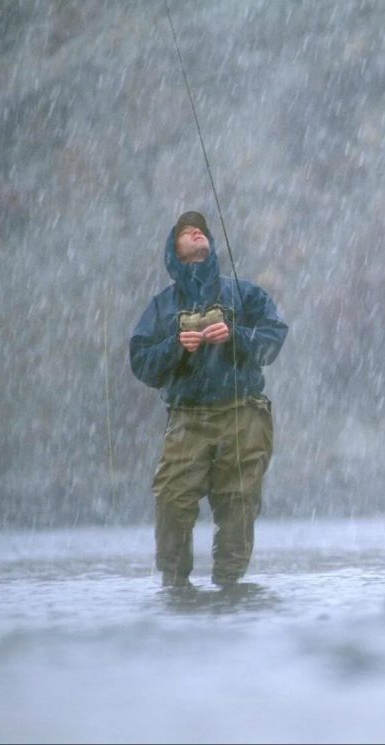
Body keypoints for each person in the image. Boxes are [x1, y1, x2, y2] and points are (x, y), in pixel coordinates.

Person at [129, 211, 288, 588]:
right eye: (185, 232)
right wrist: (175, 347)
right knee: (172, 500)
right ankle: (175, 583)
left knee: (239, 504)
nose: (195, 231)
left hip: (243, 414)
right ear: (174, 251)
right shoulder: (161, 307)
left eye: (199, 229)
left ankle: (230, 587)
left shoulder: (245, 294)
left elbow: (273, 340)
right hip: (187, 418)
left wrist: (235, 336)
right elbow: (142, 364)